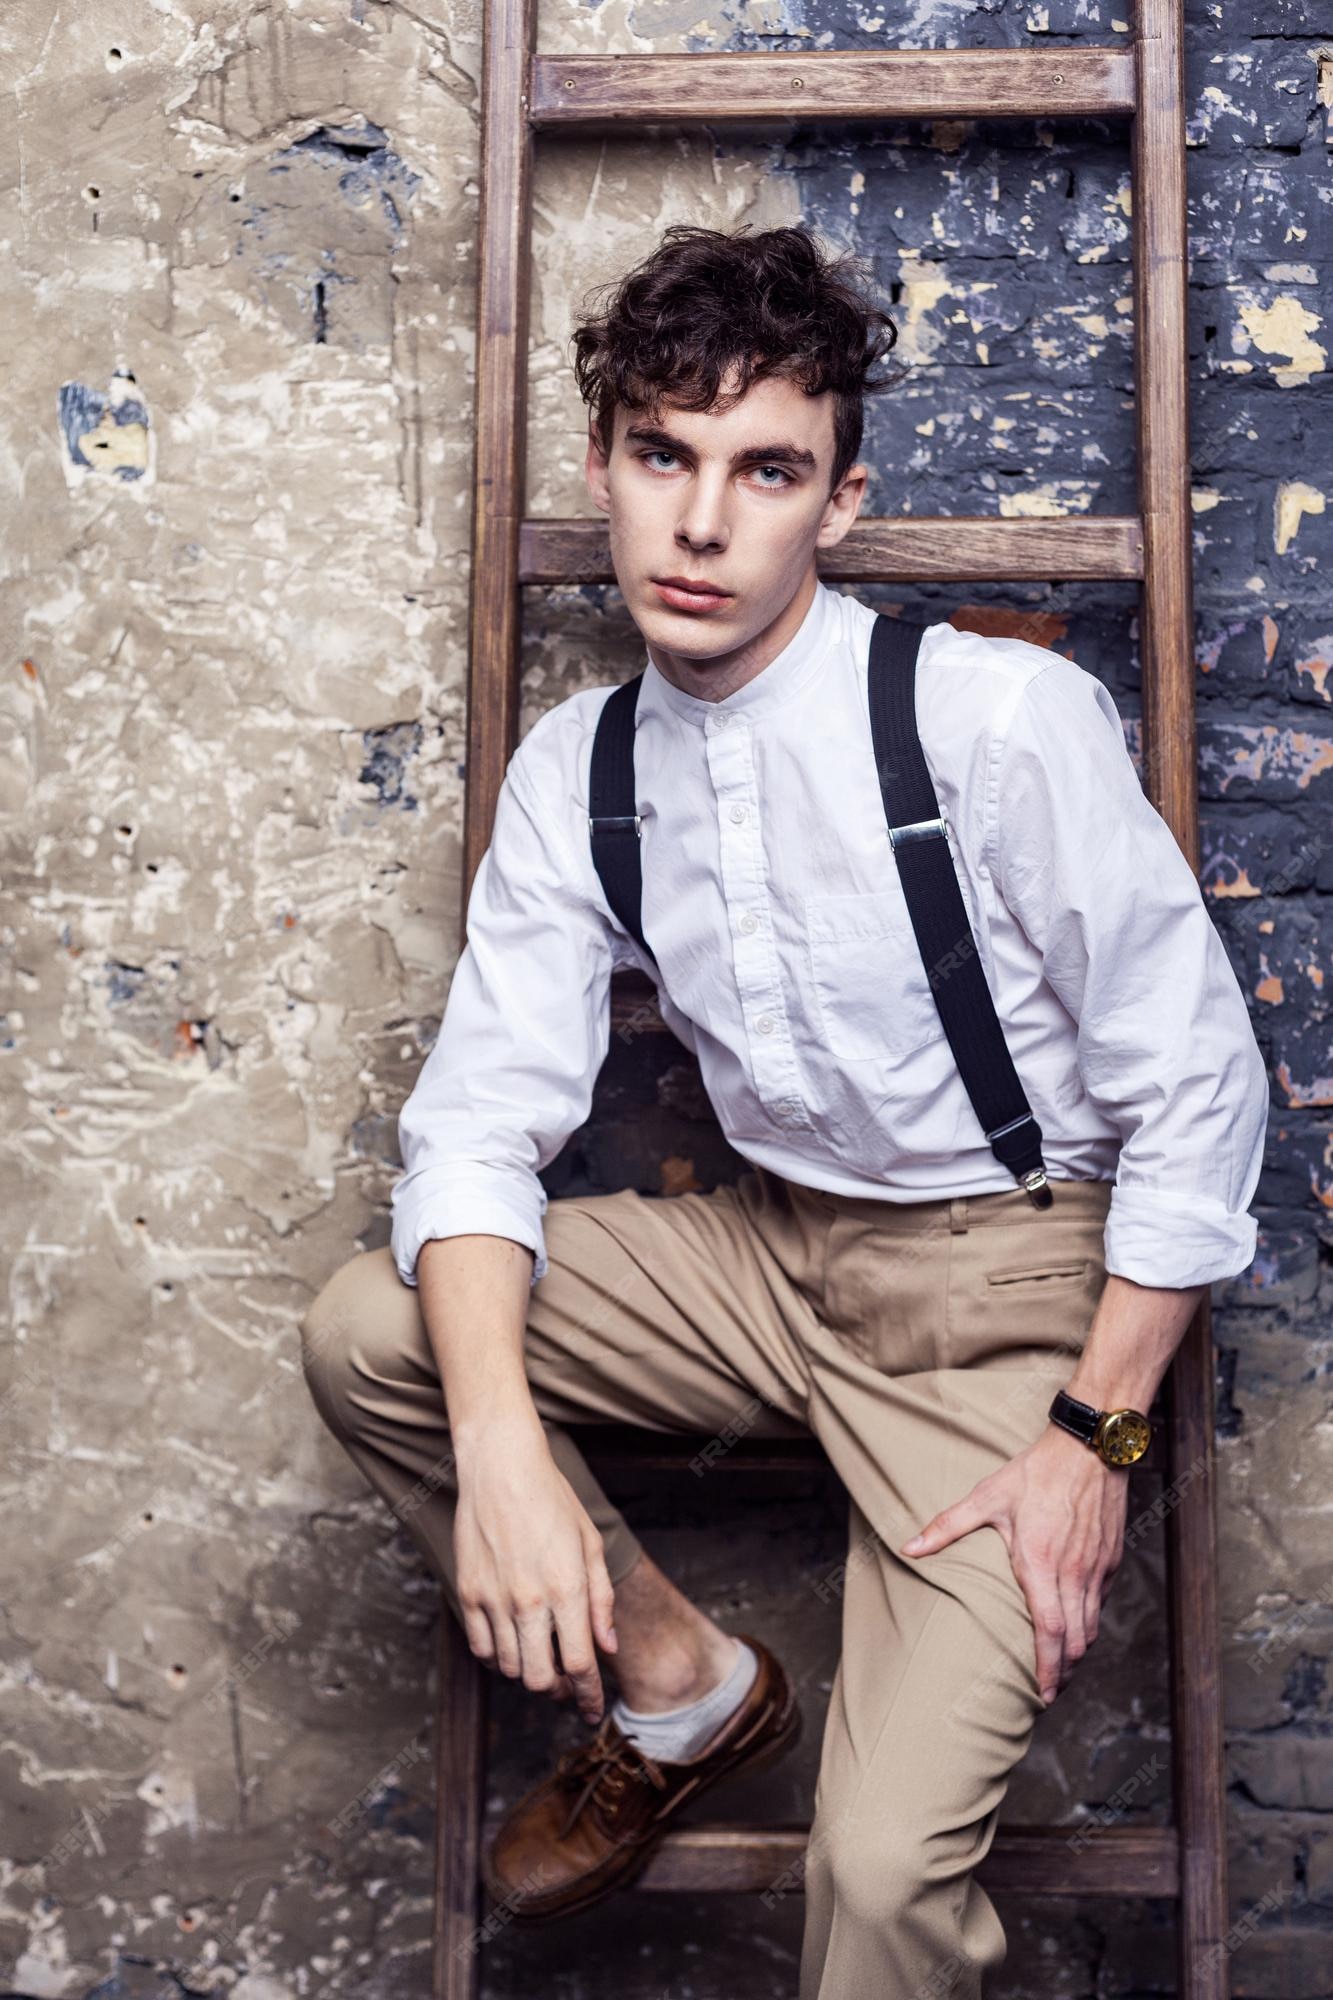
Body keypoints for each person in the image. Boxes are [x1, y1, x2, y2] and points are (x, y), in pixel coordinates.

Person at [299, 223, 1269, 1996]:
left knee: (884, 1877)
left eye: (764, 471)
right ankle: (681, 1689)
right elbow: (473, 1121)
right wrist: (503, 1452)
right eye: (661, 456)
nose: (698, 521)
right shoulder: (581, 765)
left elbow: (1198, 1088)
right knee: (379, 1330)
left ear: (835, 500)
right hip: (768, 1254)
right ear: (601, 462)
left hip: (1000, 1297)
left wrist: (1094, 1438)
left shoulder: (990, 720)